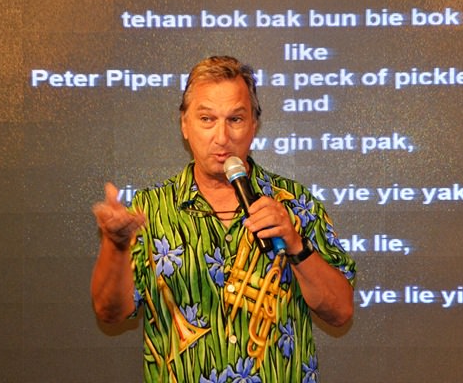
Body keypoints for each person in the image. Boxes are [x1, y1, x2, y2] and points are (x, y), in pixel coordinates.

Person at [91, 55, 356, 382]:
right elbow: (109, 312)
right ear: (185, 125)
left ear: (254, 126)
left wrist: (295, 244)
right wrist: (115, 246)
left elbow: (341, 312)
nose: (221, 137)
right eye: (206, 119)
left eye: (235, 119)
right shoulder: (150, 208)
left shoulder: (295, 202)